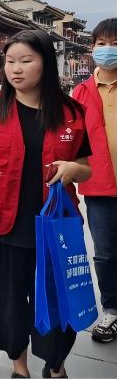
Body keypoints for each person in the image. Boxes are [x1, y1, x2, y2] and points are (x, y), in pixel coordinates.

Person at [0, 29, 92, 378]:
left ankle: (56, 365)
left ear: (46, 63)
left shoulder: (72, 113)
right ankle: (20, 367)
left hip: (54, 230)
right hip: (1, 225)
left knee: (56, 302)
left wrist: (73, 169)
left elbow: (86, 168)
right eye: (10, 61)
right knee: (8, 303)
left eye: (26, 61)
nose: (16, 69)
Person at [72, 17, 117, 343]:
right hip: (99, 186)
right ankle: (111, 310)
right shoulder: (80, 92)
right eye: (102, 44)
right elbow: (69, 137)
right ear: (92, 49)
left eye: (115, 43)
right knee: (105, 254)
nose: (108, 49)